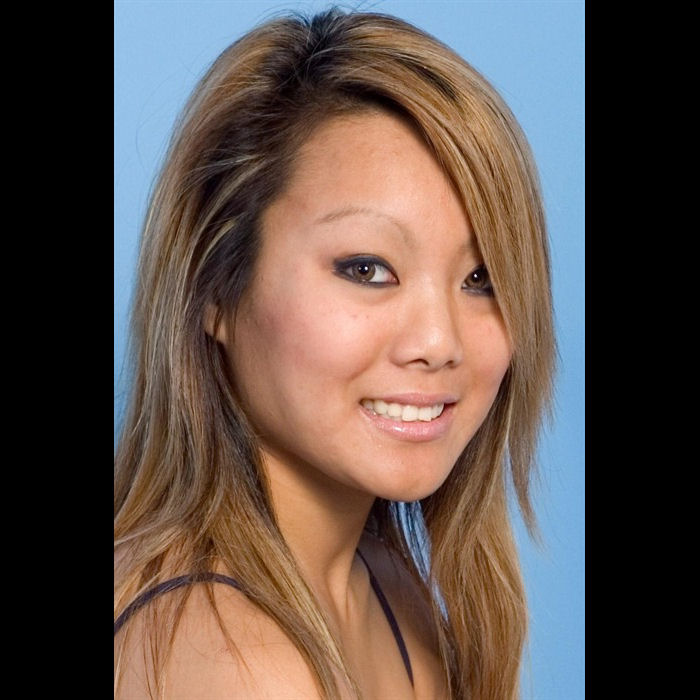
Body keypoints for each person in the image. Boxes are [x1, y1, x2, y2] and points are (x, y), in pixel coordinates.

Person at [114, 7, 555, 699]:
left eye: (482, 279)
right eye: (367, 269)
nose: (438, 343)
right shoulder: (237, 665)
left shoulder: (389, 584)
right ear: (215, 287)